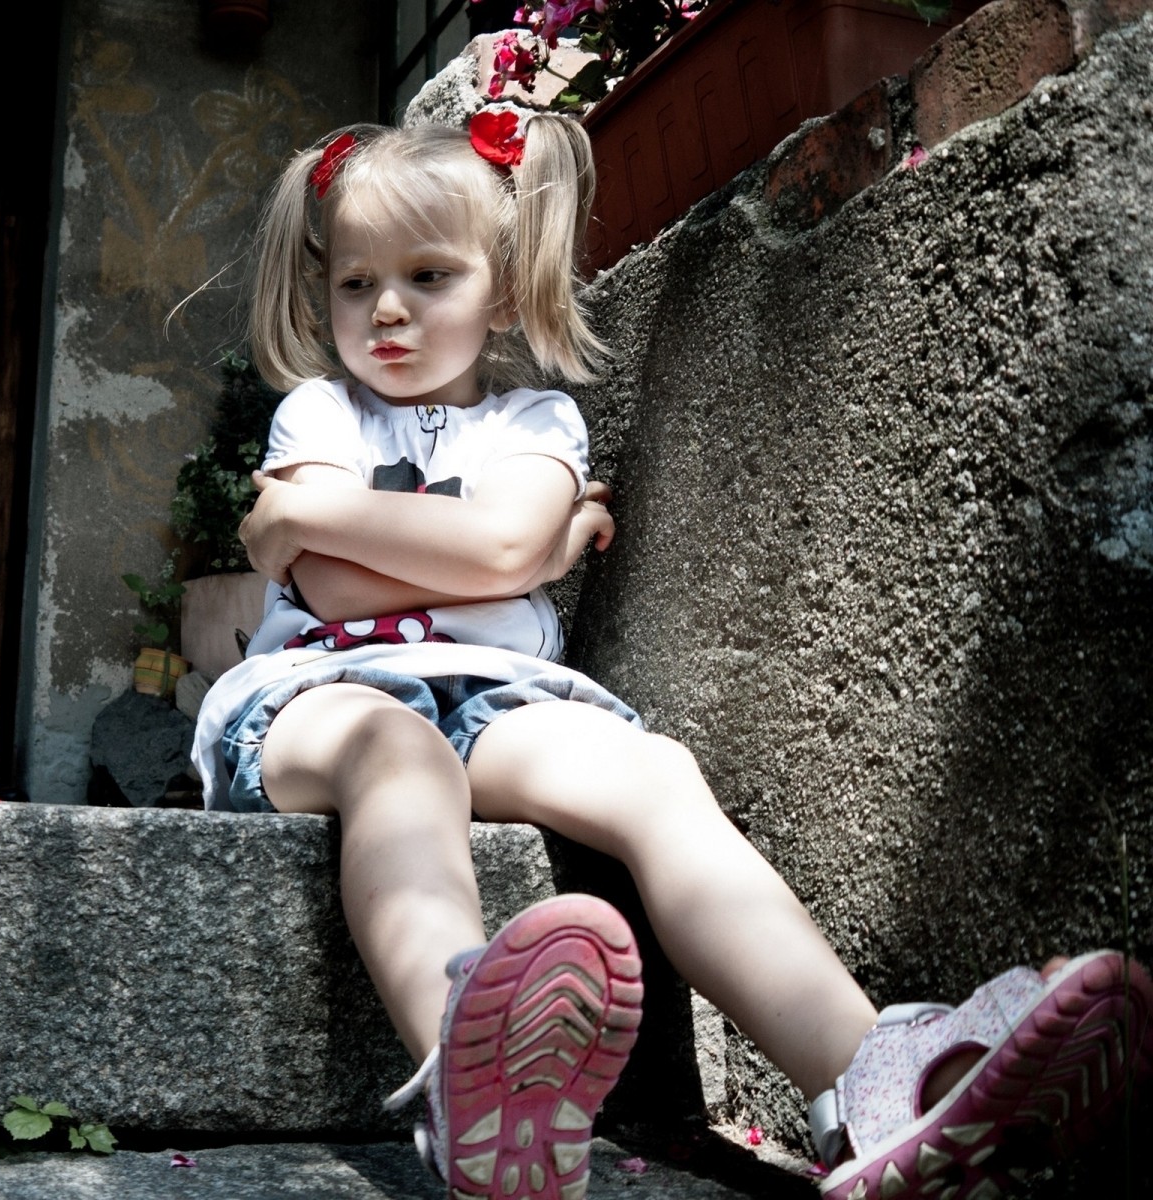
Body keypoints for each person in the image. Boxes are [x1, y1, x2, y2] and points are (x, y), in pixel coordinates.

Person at [188, 114, 1151, 1200]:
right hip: (321, 695)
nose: (389, 309)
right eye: (356, 285)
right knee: (397, 753)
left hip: (501, 699)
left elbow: (477, 543)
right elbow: (340, 591)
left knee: (655, 775)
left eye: (428, 274)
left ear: (502, 292)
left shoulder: (534, 419)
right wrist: (509, 556)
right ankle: (474, 1060)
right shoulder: (319, 408)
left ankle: (870, 1073)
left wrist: (343, 519)